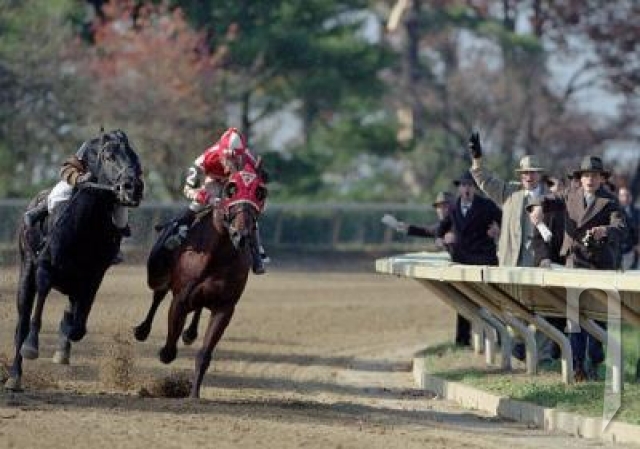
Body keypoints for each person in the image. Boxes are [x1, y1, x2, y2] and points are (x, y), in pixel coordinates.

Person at [529, 155, 627, 380]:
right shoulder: (569, 195)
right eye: (586, 175)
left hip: (599, 266)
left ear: (602, 178)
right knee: (574, 318)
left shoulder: (610, 201)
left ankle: (595, 361)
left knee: (596, 318)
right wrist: (537, 207)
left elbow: (621, 228)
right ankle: (577, 366)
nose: (590, 179)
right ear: (580, 178)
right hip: (573, 263)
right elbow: (547, 199)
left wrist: (605, 231)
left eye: (594, 175)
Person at [468, 133, 559, 363]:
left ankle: (543, 357)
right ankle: (520, 345)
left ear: (540, 174)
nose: (529, 176)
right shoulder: (510, 192)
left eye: (533, 172)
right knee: (513, 309)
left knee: (543, 311)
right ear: (520, 175)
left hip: (539, 265)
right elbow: (484, 179)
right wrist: (477, 158)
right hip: (511, 263)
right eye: (525, 173)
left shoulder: (552, 199)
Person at [163, 127, 269, 275]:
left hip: (235, 183)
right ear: (220, 153)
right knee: (200, 202)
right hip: (214, 181)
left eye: (236, 158)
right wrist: (208, 198)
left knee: (245, 208)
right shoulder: (205, 159)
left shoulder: (248, 159)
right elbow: (188, 189)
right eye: (228, 158)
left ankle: (256, 252)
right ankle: (181, 230)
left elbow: (259, 186)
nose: (232, 163)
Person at [23, 131, 133, 261]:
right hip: (81, 185)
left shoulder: (125, 155)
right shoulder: (90, 146)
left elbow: (131, 173)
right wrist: (79, 178)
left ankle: (114, 249)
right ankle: (42, 210)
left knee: (121, 219)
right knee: (61, 192)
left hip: (107, 192)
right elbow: (67, 168)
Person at [617, 186, 639, 270]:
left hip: (633, 251)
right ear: (618, 197)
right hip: (617, 250)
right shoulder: (613, 211)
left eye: (627, 195)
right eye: (622, 195)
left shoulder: (637, 213)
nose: (625, 198)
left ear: (631, 197)